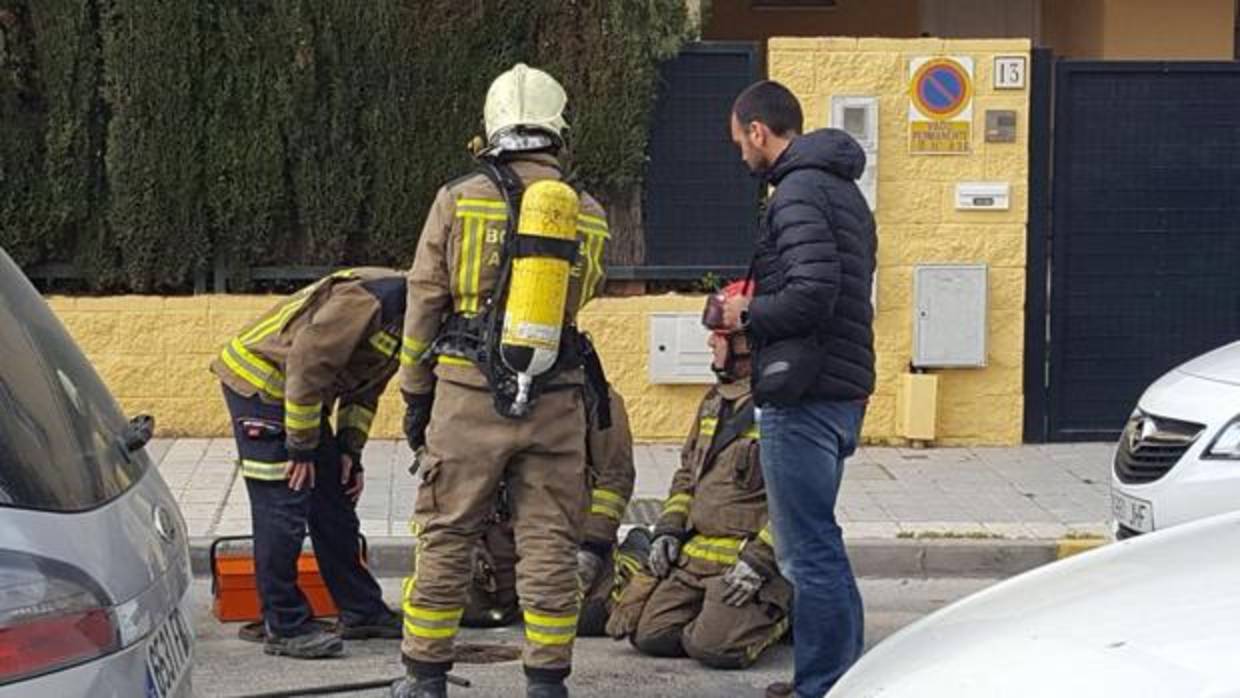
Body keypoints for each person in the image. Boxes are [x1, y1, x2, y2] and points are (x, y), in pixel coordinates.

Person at [393, 63, 610, 698]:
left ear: (492, 126)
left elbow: (424, 300)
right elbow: (585, 292)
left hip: (465, 395)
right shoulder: (587, 212)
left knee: (447, 532)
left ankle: (424, 678)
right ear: (557, 126)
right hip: (557, 396)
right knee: (548, 541)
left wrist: (414, 392)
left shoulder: (457, 198)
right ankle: (546, 682)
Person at [724, 80, 877, 697]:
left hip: (805, 393)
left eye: (740, 142)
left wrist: (746, 317)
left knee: (806, 552)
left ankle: (826, 684)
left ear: (759, 132)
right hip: (837, 387)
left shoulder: (795, 193)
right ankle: (844, 675)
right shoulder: (841, 191)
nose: (740, 155)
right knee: (820, 541)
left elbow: (813, 294)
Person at [210, 268, 406, 659]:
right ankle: (284, 624)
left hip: (301, 391)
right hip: (263, 384)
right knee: (285, 502)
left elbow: (365, 388)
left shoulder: (414, 320)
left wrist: (349, 450)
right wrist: (301, 448)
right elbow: (306, 362)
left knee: (333, 500)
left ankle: (361, 611)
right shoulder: (374, 300)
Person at [606, 280, 791, 670]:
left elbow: (796, 504)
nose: (711, 344)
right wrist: (669, 531)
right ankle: (718, 617)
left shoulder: (784, 410)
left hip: (746, 563)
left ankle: (785, 611)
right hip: (696, 558)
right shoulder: (713, 403)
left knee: (714, 650)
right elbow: (687, 477)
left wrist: (759, 562)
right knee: (648, 634)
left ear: (748, 344)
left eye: (720, 337)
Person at [461, 387, 649, 637]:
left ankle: (634, 554)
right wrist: (468, 538)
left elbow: (615, 477)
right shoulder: (484, 389)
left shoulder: (597, 397)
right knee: (466, 609)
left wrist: (592, 549)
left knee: (584, 618)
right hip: (501, 532)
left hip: (568, 534)